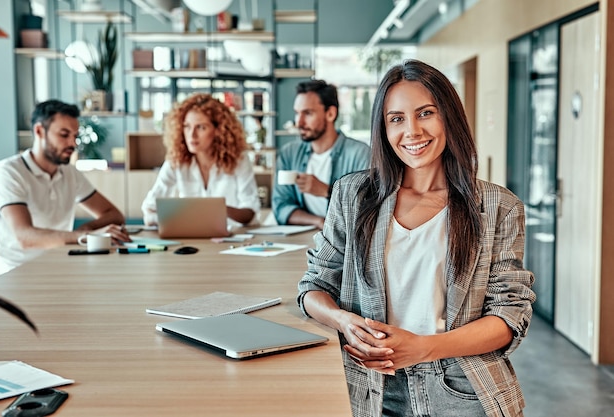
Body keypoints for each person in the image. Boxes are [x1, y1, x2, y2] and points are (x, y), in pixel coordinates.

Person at [297, 60, 536, 417]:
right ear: (383, 127)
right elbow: (313, 288)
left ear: (449, 117)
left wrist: (423, 348)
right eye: (396, 119)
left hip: (461, 386)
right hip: (368, 385)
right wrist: (344, 321)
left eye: (425, 113)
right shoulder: (353, 195)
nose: (412, 131)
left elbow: (510, 315)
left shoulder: (499, 205)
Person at [0, 99, 130, 280]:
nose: (73, 143)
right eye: (64, 135)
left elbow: (113, 214)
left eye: (75, 136)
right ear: (39, 131)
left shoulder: (69, 172)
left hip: (55, 267)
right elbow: (25, 236)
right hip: (9, 275)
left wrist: (86, 230)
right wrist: (85, 235)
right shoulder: (9, 171)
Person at [141, 93, 261, 228]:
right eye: (187, 126)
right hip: (192, 237)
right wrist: (176, 219)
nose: (192, 135)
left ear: (218, 130)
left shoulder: (239, 160)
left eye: (201, 127)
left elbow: (250, 211)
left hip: (232, 240)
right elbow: (149, 209)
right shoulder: (177, 161)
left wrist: (218, 209)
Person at [271, 80, 370, 230]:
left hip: (344, 241)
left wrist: (327, 191)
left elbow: (367, 208)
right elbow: (281, 206)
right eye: (297, 113)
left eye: (308, 113)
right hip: (301, 240)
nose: (299, 122)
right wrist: (318, 221)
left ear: (330, 113)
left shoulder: (360, 154)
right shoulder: (289, 154)